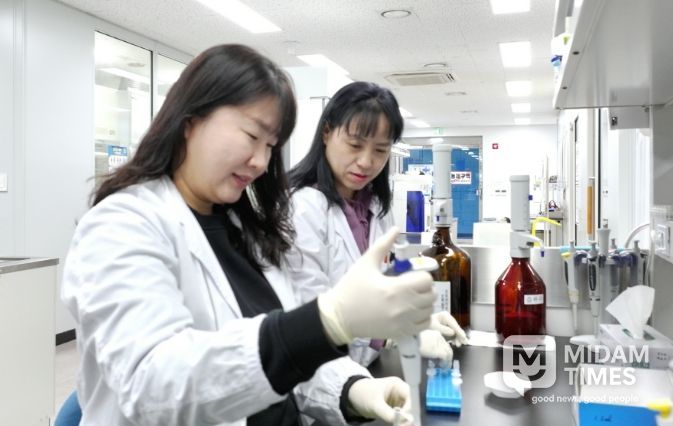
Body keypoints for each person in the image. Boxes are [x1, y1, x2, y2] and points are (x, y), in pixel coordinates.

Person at [61, 45, 436, 426]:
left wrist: (352, 388)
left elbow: (284, 359)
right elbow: (154, 383)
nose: (260, 161)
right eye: (252, 136)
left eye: (270, 146)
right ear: (190, 120)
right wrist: (327, 321)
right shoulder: (122, 225)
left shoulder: (246, 232)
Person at [288, 81, 468, 367]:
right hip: (322, 373)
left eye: (381, 150)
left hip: (367, 366)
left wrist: (417, 320)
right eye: (355, 145)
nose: (366, 162)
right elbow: (310, 313)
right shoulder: (303, 209)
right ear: (326, 133)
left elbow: (385, 288)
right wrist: (391, 335)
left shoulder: (376, 208)